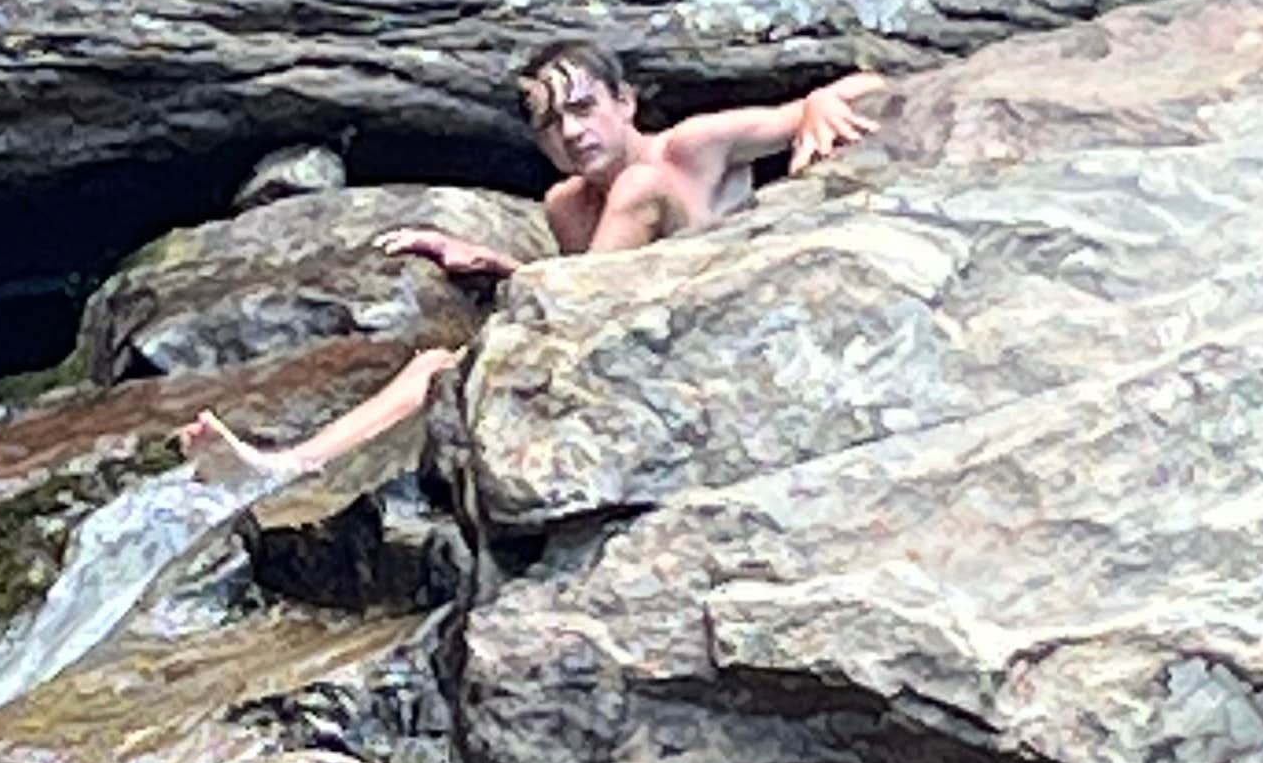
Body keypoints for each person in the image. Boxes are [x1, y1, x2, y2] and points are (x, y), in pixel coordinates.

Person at [182, 37, 887, 495]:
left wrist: (822, 101)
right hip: (635, 358)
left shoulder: (692, 147)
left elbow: (860, 88)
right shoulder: (566, 206)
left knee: (639, 192)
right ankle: (286, 465)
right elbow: (580, 313)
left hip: (723, 338)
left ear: (626, 103)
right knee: (436, 367)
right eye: (552, 123)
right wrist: (499, 267)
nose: (574, 132)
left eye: (584, 108)